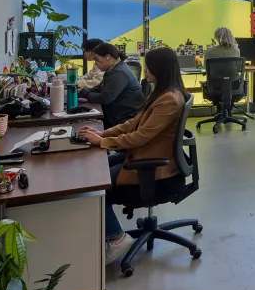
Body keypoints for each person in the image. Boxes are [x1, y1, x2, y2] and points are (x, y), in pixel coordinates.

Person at [78, 47, 190, 264]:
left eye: (149, 66)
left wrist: (102, 142)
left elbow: (140, 137)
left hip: (156, 169)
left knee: (97, 186)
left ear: (160, 69)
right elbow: (133, 124)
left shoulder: (169, 99)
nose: (145, 70)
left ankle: (117, 239)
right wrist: (103, 134)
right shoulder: (161, 92)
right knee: (96, 169)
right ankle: (111, 234)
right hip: (143, 156)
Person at [78, 43, 144, 129]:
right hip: (116, 114)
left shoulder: (119, 72)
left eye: (97, 60)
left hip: (124, 119)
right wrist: (83, 91)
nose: (95, 64)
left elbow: (105, 98)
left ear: (108, 57)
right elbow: (98, 88)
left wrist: (85, 93)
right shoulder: (113, 69)